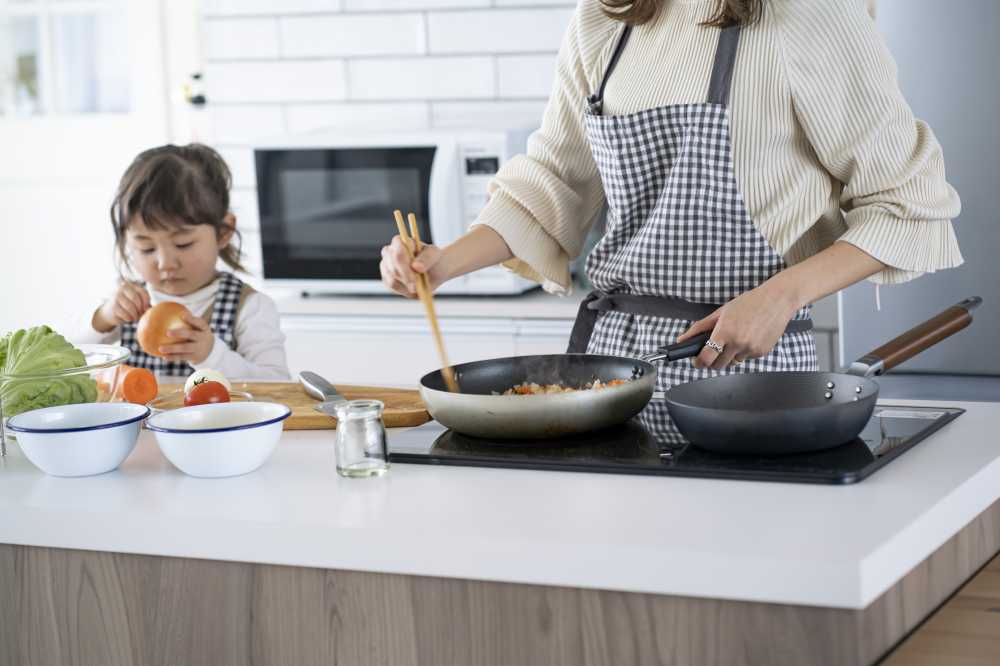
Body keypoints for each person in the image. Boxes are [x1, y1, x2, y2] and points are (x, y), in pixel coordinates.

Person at [380, 0, 962, 393]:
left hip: (748, 375)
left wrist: (779, 298)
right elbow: (555, 179)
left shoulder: (807, 12)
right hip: (612, 378)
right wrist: (442, 262)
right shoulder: (605, 19)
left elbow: (908, 202)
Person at [79, 143, 289, 379]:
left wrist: (211, 355)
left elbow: (278, 385)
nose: (165, 263)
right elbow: (64, 361)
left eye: (183, 244)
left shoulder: (250, 308)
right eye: (146, 248)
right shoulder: (125, 307)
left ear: (224, 232)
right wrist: (102, 319)